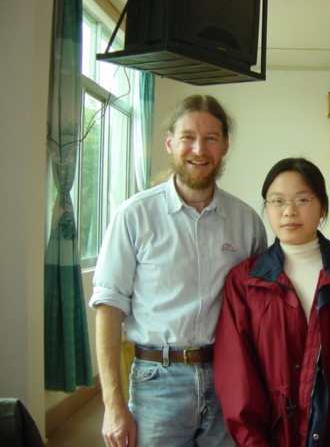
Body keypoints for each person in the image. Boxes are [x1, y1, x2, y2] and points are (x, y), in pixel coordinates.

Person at [89, 95, 268, 447]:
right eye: (187, 136)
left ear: (225, 145)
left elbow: (270, 296)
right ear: (170, 142)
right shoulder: (134, 216)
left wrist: (329, 255)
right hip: (158, 381)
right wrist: (113, 405)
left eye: (211, 138)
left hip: (228, 377)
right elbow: (108, 311)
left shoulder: (246, 221)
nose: (199, 148)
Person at [213, 157, 330, 447]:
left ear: (322, 207)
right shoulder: (245, 282)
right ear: (266, 208)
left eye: (302, 200)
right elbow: (236, 375)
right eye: (277, 201)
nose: (289, 212)